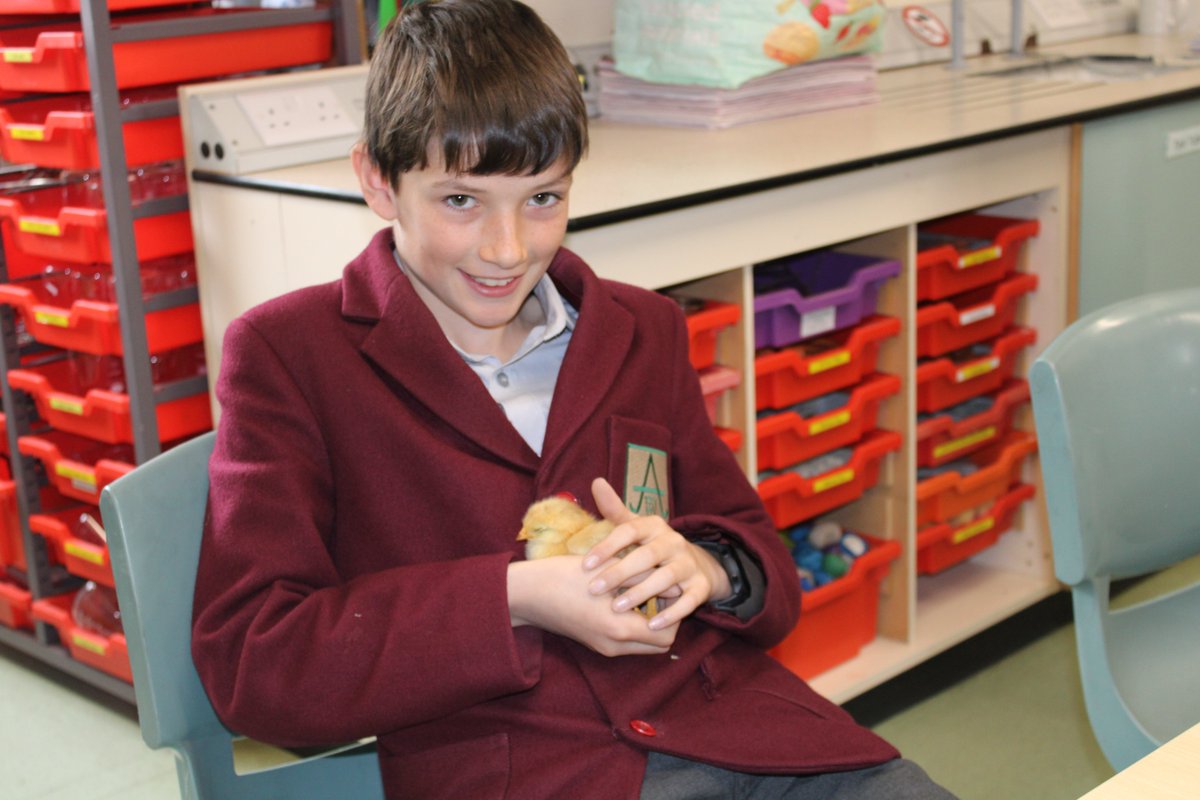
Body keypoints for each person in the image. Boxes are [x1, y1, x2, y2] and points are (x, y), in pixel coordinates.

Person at [191, 1, 957, 797]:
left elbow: (764, 567)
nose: (507, 248)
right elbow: (255, 665)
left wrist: (703, 567)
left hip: (742, 733)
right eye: (461, 200)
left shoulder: (641, 329)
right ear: (378, 181)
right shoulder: (290, 355)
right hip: (525, 773)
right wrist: (512, 598)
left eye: (543, 199)